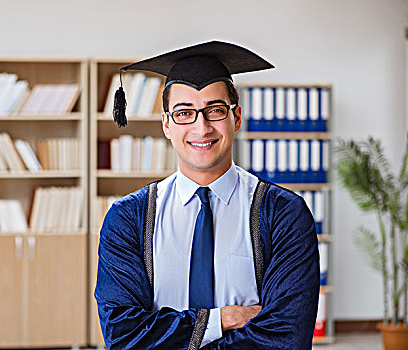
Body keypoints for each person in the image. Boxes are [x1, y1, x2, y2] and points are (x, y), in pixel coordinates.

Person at [95, 41, 320, 349]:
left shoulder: (283, 213)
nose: (201, 128)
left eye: (215, 111)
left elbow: (286, 337)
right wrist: (224, 319)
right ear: (166, 125)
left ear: (236, 118)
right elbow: (124, 335)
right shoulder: (129, 219)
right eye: (184, 113)